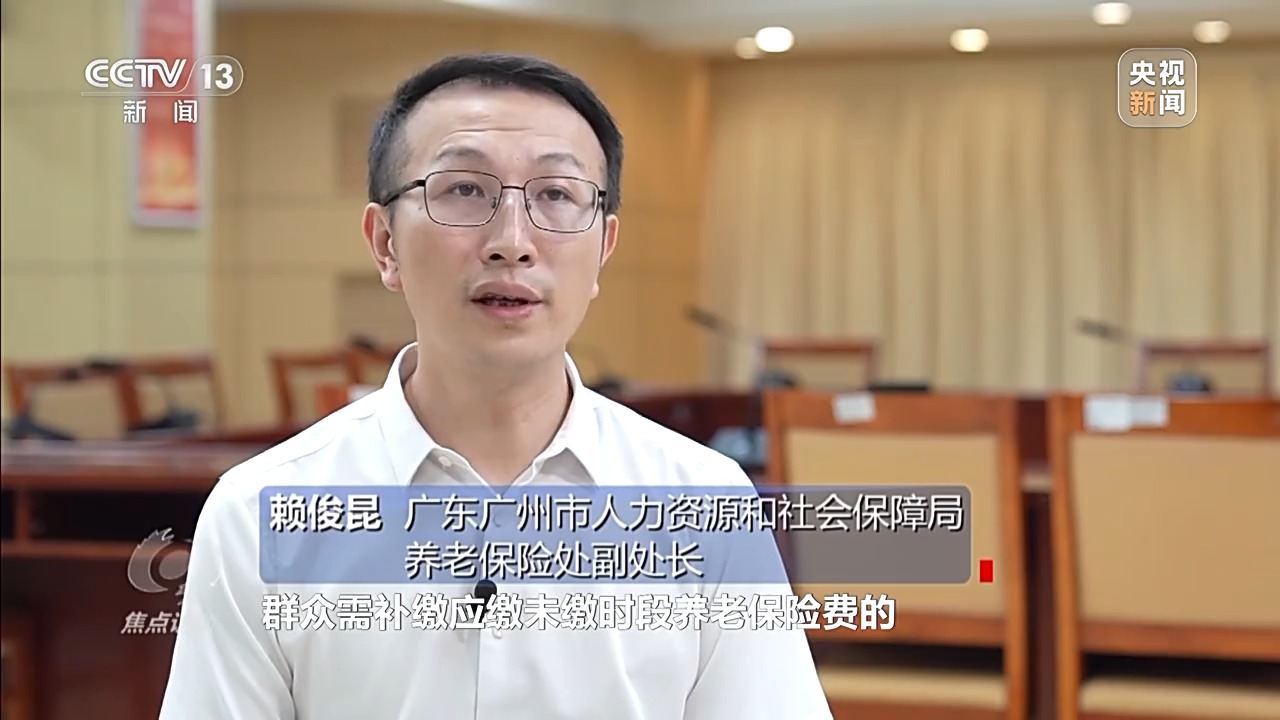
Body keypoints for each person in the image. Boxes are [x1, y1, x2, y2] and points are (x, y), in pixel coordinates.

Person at [159, 52, 832, 720]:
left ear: (603, 248)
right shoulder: (259, 514)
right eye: (464, 190)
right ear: (385, 243)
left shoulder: (704, 502)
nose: (512, 241)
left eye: (556, 195)